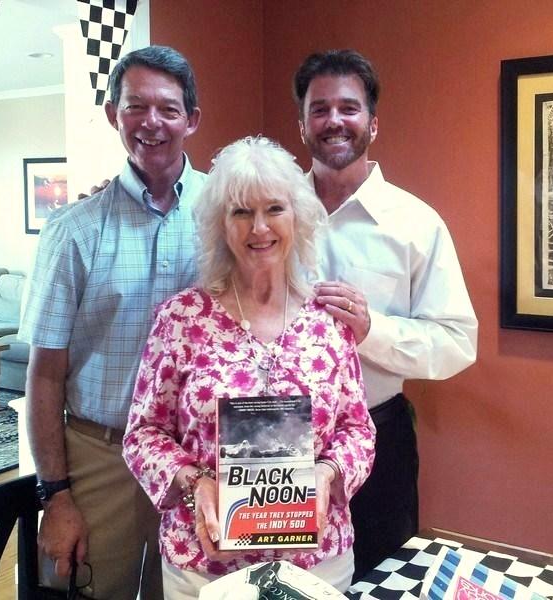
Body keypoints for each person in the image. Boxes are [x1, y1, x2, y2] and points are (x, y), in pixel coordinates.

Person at [122, 136, 375, 599]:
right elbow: (143, 434)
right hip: (203, 565)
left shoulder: (327, 319)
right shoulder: (181, 318)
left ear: (297, 218)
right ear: (220, 225)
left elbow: (358, 429)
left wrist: (326, 475)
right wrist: (195, 483)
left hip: (317, 562)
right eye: (241, 212)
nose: (259, 228)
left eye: (274, 209)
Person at [20, 45, 204, 600]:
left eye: (169, 109)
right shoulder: (74, 231)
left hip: (200, 461)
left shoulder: (229, 215)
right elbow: (45, 376)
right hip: (102, 457)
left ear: (192, 120)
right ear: (112, 114)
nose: (152, 123)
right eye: (135, 107)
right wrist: (55, 496)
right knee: (96, 590)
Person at [292, 50, 479, 580]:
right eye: (319, 108)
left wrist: (372, 331)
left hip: (377, 440)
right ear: (301, 123)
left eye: (348, 108)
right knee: (283, 582)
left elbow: (457, 343)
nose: (334, 121)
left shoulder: (415, 223)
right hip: (275, 441)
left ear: (373, 123)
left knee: (380, 577)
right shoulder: (270, 212)